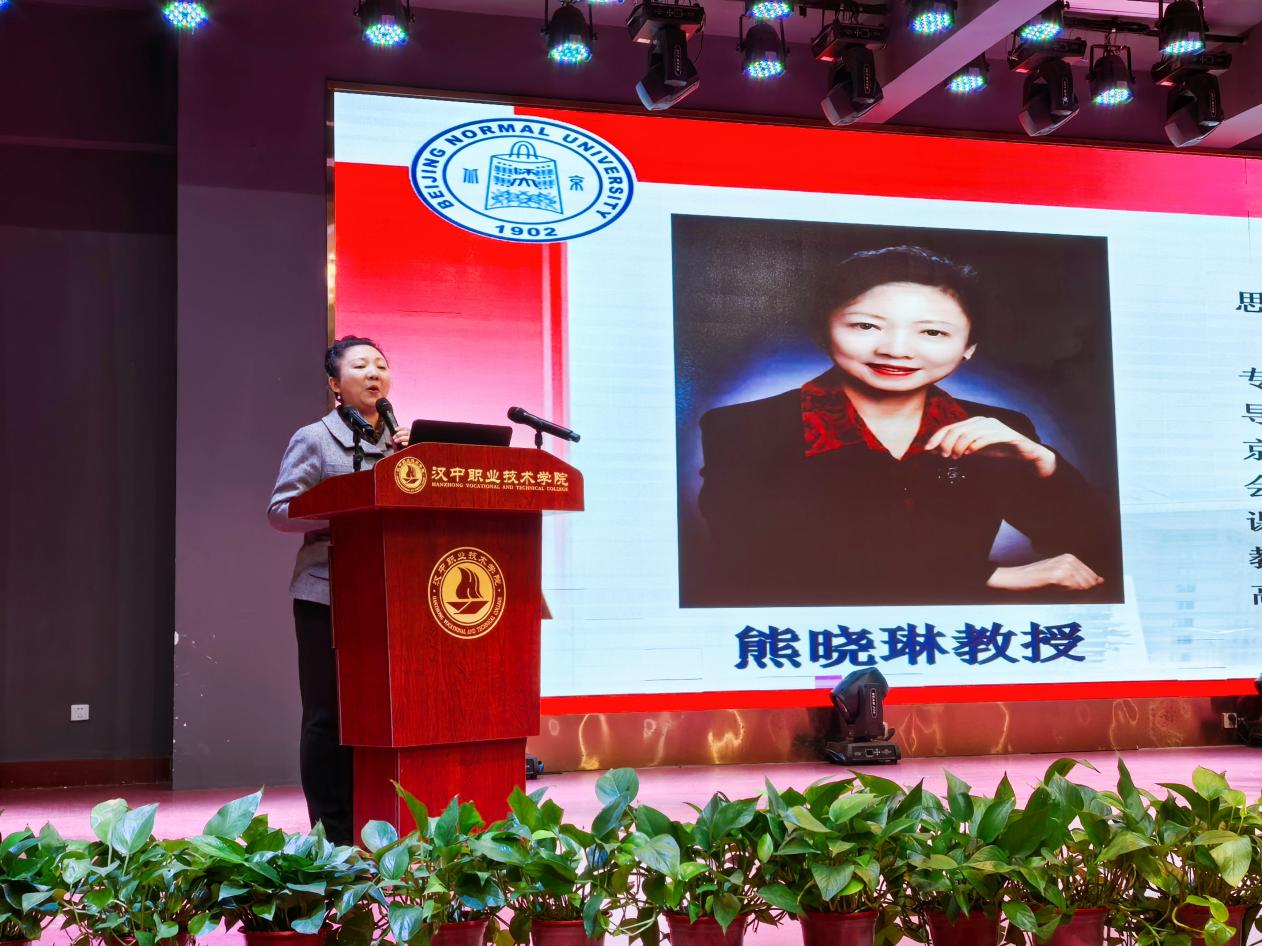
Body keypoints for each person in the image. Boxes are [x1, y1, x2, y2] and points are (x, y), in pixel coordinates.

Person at [695, 245, 1120, 607]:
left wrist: (1043, 464)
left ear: (969, 346)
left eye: (932, 332)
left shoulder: (999, 428)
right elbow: (760, 560)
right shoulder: (744, 428)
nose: (896, 350)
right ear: (825, 330)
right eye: (865, 325)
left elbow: (1097, 552)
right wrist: (991, 577)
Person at [267, 336, 410, 844]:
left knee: (378, 714)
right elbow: (281, 510)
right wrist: (348, 509)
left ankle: (379, 824)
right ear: (334, 383)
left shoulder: (403, 445)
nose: (374, 373)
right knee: (328, 718)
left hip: (390, 596)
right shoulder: (314, 439)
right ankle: (332, 834)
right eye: (361, 366)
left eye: (381, 365)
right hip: (326, 595)